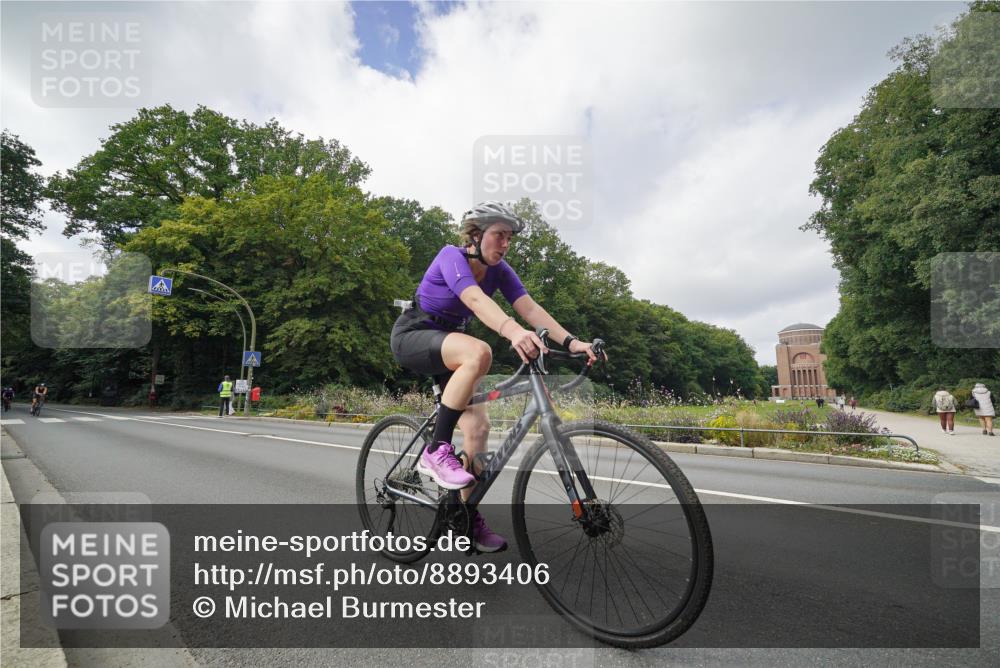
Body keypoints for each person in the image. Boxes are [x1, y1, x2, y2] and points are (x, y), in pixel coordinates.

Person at [390, 201, 602, 553]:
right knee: (480, 352)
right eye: (498, 235)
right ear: (476, 235)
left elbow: (530, 309)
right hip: (414, 335)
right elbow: (473, 299)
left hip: (449, 349)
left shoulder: (500, 270)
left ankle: (464, 519)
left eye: (509, 238)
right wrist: (512, 332)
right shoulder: (450, 256)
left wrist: (573, 342)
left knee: (478, 429)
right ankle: (436, 451)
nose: (505, 244)